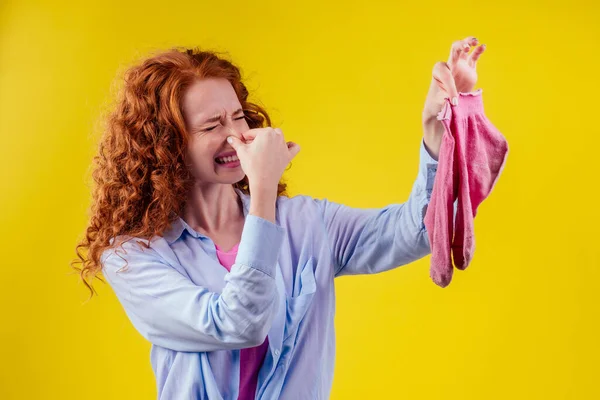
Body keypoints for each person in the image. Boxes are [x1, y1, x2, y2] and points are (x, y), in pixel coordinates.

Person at [72, 37, 485, 399]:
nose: (236, 135)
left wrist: (435, 134)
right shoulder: (134, 256)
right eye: (212, 125)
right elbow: (236, 324)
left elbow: (416, 231)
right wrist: (263, 190)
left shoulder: (307, 222)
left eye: (238, 117)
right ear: (166, 144)